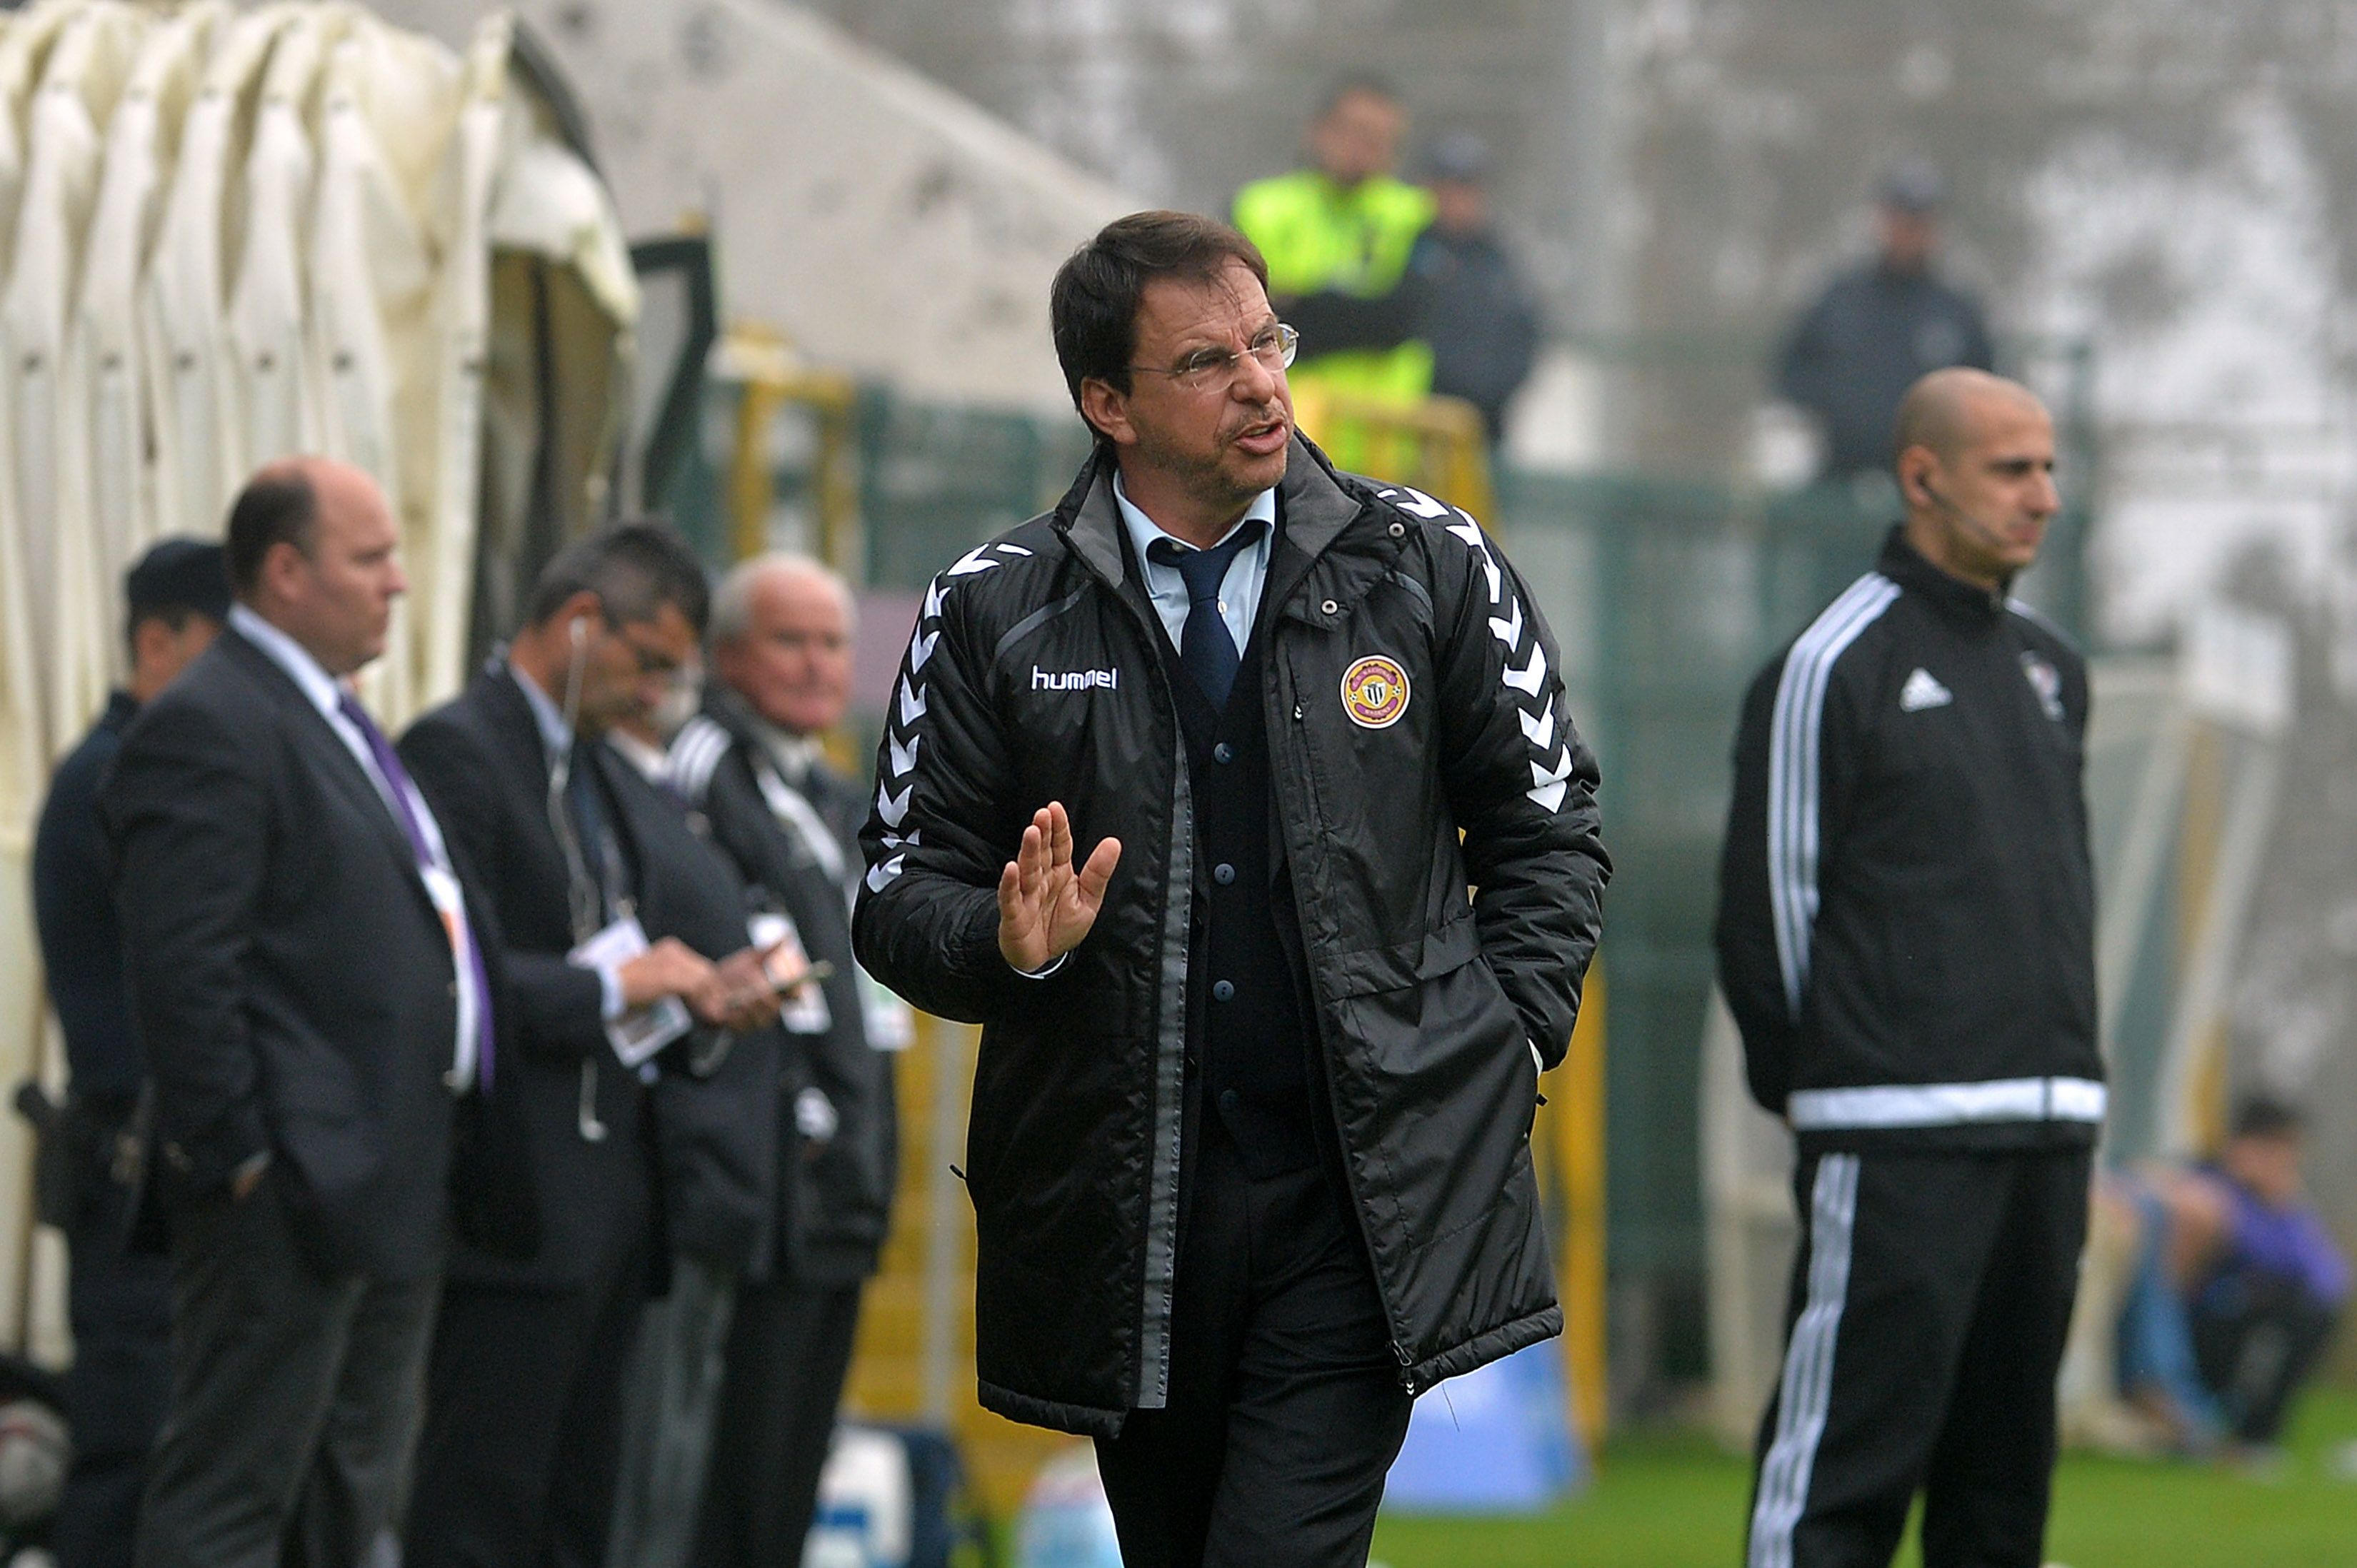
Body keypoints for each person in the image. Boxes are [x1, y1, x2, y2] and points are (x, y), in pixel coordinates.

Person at [854, 210, 1609, 1568]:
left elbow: (1550, 829)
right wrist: (1006, 944)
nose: (1262, 384)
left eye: (1269, 343)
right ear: (1108, 403)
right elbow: (899, 889)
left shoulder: (1428, 560)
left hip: (1359, 1200)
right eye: (1208, 361)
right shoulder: (989, 606)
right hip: (1122, 1210)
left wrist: (1496, 1042)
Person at [1716, 367, 2098, 1568]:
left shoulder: (2053, 669)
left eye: (2049, 468)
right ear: (1923, 477)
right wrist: (1826, 1085)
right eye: (2012, 469)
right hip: (1894, 1138)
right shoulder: (1831, 665)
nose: (2043, 496)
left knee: (2002, 1501)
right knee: (1840, 1485)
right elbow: (1768, 913)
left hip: (2047, 1135)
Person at [101, 461, 496, 1568]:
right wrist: (240, 1157)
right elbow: (185, 970)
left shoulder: (330, 717)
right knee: (231, 1497)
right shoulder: (213, 720)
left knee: (343, 1506)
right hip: (287, 1192)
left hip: (381, 1178)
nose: (398, 583)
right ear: (284, 573)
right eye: (371, 559)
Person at [397, 526, 783, 1568]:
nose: (654, 694)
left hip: (614, 1207)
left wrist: (703, 1000)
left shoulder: (596, 767)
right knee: (481, 1512)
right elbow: (446, 980)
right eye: (646, 662)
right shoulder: (458, 750)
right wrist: (617, 983)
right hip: (513, 1207)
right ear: (578, 623)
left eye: (672, 673)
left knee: (579, 1516)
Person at [669, 553, 900, 1568]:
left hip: (837, 1192)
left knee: (785, 1488)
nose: (816, 665)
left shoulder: (832, 793)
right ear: (725, 656)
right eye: (789, 641)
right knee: (726, 1484)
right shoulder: (704, 771)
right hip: (756, 1200)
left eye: (833, 643)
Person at [31, 538, 227, 1568]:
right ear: (159, 642)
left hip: (157, 1176)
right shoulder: (119, 778)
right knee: (131, 1449)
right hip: (132, 1175)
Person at [2114, 1100, 2349, 1455]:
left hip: (2219, 1327)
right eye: (2278, 1151)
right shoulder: (2204, 1189)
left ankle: (2250, 1431)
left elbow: (2329, 1282)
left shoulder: (2275, 1206)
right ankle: (2192, 1415)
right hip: (2184, 1321)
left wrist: (2284, 1208)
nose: (2286, 1164)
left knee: (2303, 1307)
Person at [1773, 161, 1997, 483]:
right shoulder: (1841, 299)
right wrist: (1836, 406)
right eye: (1901, 219)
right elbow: (1790, 371)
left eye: (1920, 222)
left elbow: (1987, 393)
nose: (1909, 232)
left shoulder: (1956, 312)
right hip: (1841, 477)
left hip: (1929, 484)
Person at [1233, 77, 1436, 411]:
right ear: (1318, 130)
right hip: (1283, 418)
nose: (1363, 147)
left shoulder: (1416, 215)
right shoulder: (1259, 208)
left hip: (1383, 428)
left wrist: (1299, 304)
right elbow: (1239, 322)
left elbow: (1404, 319)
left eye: (1380, 138)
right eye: (1354, 131)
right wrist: (1361, 311)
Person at [1408, 131, 1541, 446]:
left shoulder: (1498, 260)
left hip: (1484, 426)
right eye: (1449, 187)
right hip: (1416, 422)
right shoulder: (1410, 249)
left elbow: (1524, 332)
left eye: (1467, 188)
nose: (1458, 199)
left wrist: (1492, 392)